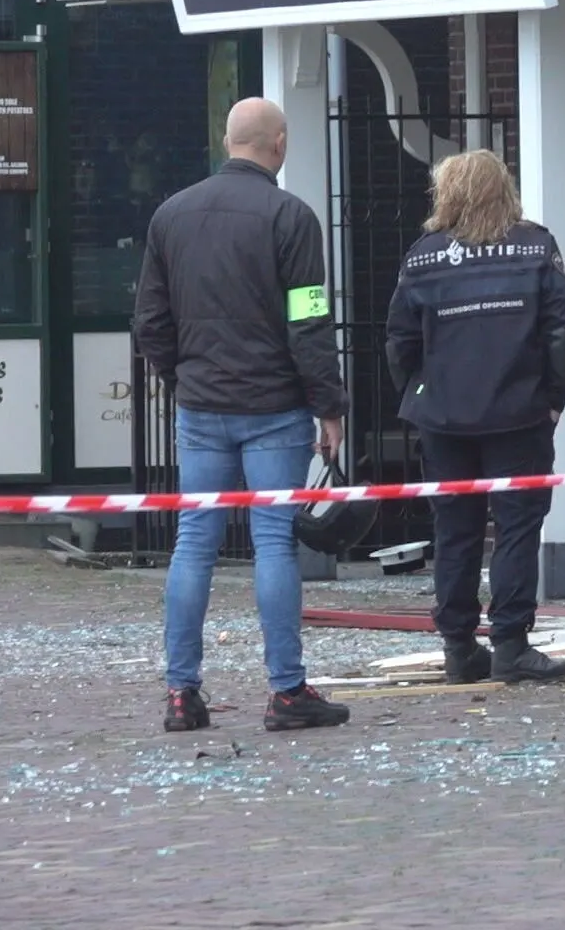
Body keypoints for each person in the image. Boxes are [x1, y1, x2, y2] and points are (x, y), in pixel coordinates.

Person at [134, 97, 352, 735]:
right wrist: (328, 405)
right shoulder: (291, 217)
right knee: (273, 544)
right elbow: (309, 320)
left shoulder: (171, 215)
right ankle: (286, 691)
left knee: (193, 543)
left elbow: (149, 320)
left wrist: (185, 378)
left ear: (227, 140)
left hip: (203, 407)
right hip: (275, 409)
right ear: (278, 143)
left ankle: (181, 693)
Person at [385, 149, 565, 685]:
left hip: (444, 417)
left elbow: (399, 340)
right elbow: (562, 329)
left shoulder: (423, 256)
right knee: (517, 527)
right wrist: (553, 397)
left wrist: (420, 393)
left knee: (457, 530)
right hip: (518, 412)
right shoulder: (535, 246)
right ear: (504, 190)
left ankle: (458, 647)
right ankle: (512, 644)